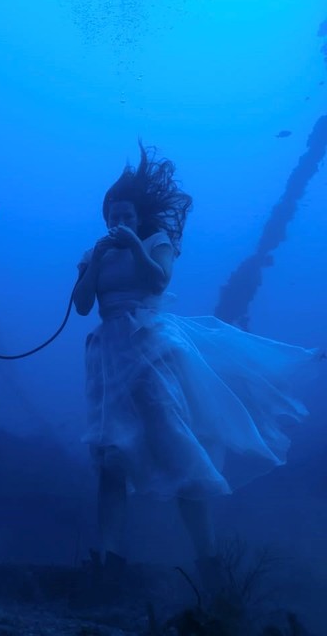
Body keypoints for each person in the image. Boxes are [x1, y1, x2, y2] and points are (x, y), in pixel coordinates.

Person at [73, 142, 321, 595]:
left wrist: (133, 244)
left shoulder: (155, 241)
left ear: (139, 216)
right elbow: (84, 304)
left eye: (127, 215)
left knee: (176, 447)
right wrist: (92, 264)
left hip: (149, 349)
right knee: (110, 458)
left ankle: (208, 562)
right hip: (108, 357)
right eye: (113, 215)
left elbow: (158, 281)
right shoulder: (94, 253)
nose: (119, 222)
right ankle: (108, 560)